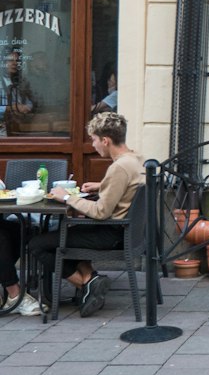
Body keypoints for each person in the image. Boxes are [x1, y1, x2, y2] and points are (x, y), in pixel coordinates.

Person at [19, 111, 142, 318]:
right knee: (67, 233)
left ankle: (86, 284)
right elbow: (124, 187)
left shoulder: (119, 167)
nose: (93, 145)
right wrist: (102, 186)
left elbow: (101, 212)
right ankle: (91, 278)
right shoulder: (135, 159)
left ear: (105, 140)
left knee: (37, 245)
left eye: (94, 140)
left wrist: (67, 198)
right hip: (124, 231)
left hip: (110, 234)